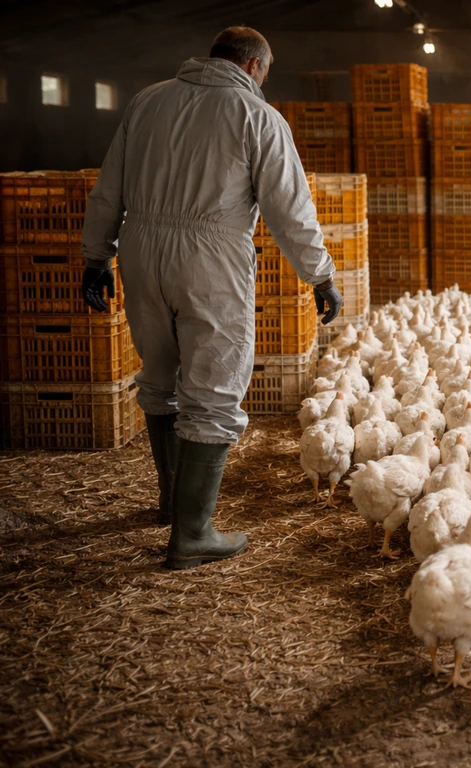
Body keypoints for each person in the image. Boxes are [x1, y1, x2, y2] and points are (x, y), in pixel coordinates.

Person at [80, 26, 342, 569]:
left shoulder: (147, 101)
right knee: (216, 386)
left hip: (140, 248)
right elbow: (289, 209)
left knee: (160, 376)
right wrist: (320, 275)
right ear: (253, 67)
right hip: (209, 257)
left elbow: (110, 185)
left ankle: (170, 502)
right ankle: (192, 531)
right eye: (264, 75)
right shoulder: (257, 117)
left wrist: (95, 256)